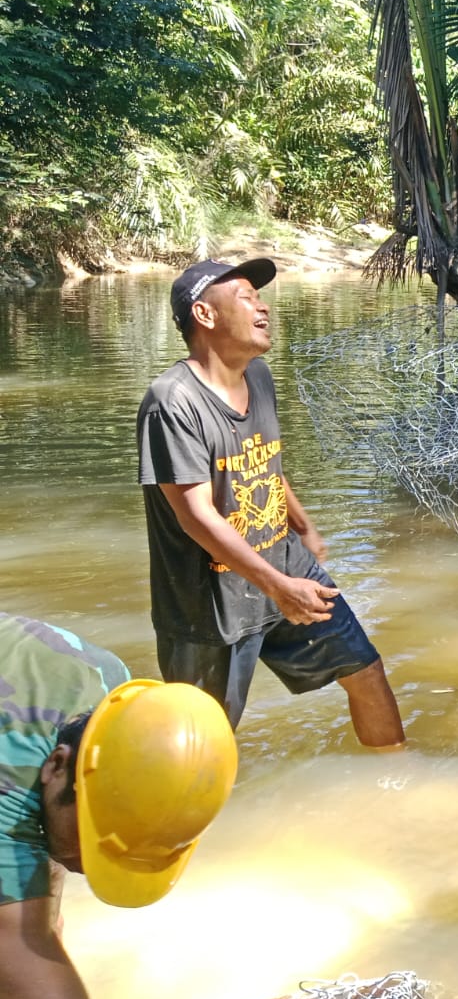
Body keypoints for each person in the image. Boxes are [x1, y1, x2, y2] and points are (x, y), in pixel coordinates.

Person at [137, 258, 404, 746]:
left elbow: (262, 463)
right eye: (246, 297)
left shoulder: (257, 376)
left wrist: (303, 528)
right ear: (204, 315)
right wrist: (279, 587)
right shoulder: (171, 402)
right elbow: (196, 516)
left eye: (260, 297)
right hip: (208, 606)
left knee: (364, 670)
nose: (262, 307)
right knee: (202, 740)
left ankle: (399, 777)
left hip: (285, 565)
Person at [0, 614, 237, 999]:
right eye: (93, 835)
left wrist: (42, 934)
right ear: (57, 765)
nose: (91, 864)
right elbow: (16, 951)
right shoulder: (8, 780)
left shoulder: (121, 703)